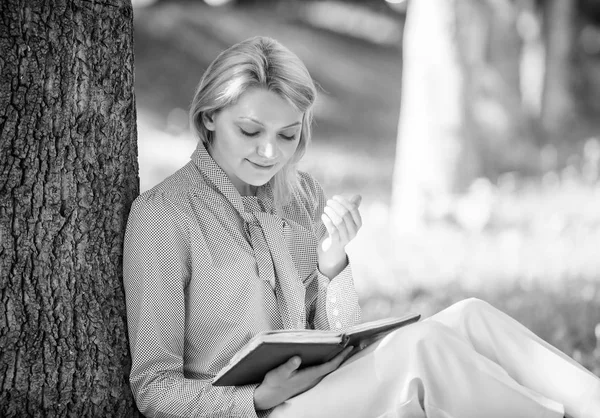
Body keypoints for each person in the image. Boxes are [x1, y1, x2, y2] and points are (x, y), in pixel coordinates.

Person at [123, 36, 600, 418]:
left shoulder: (299, 195)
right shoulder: (165, 216)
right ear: (209, 119)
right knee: (424, 347)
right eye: (250, 131)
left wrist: (333, 260)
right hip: (263, 412)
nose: (270, 153)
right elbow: (154, 389)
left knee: (471, 316)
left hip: (323, 391)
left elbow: (336, 334)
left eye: (287, 135)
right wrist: (257, 399)